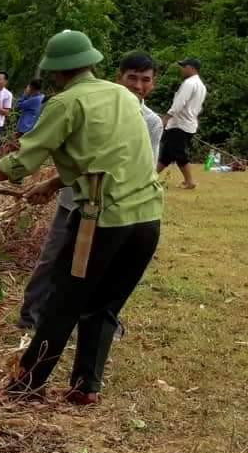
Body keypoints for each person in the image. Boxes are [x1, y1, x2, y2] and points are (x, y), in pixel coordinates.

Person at [0, 31, 163, 404]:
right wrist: (51, 185)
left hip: (101, 223)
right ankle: (85, 388)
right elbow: (102, 157)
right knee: (105, 305)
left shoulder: (65, 103)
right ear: (92, 63)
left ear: (57, 72)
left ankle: (26, 385)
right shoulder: (123, 97)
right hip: (147, 221)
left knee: (62, 302)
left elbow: (21, 161)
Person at [18, 51, 162, 334]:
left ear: (153, 84)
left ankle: (96, 320)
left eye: (145, 80)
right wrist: (51, 184)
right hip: (76, 199)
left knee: (102, 268)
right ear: (118, 78)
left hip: (114, 208)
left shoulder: (152, 122)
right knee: (55, 257)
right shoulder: (92, 105)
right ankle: (31, 314)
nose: (138, 85)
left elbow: (143, 168)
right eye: (131, 78)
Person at [159, 57, 207, 189]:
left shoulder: (189, 84)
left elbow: (180, 103)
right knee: (167, 154)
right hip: (189, 123)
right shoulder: (201, 85)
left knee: (178, 153)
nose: (182, 69)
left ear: (191, 68)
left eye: (184, 67)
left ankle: (189, 181)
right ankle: (150, 177)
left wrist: (166, 117)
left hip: (180, 124)